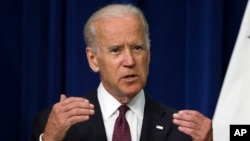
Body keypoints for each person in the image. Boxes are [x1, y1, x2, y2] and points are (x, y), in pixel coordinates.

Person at [30, 4, 212, 141]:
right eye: (116, 50)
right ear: (93, 59)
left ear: (148, 56)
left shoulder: (181, 130)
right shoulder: (56, 126)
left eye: (137, 48)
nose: (130, 61)